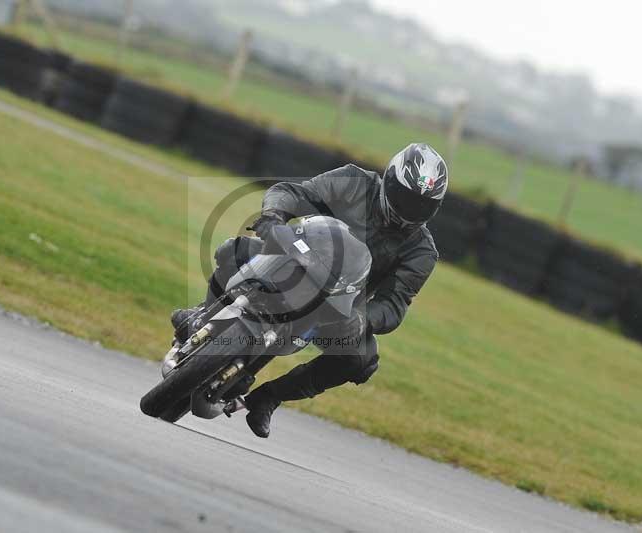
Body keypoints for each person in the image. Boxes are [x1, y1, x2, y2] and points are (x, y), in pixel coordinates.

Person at [172, 143, 448, 438]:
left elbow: (394, 303)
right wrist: (274, 214)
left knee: (360, 361)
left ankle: (268, 397)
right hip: (296, 259)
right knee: (233, 251)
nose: (408, 211)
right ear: (389, 180)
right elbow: (296, 193)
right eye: (404, 198)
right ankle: (203, 315)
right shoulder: (354, 181)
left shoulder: (422, 251)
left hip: (339, 304)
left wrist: (364, 319)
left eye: (420, 205)